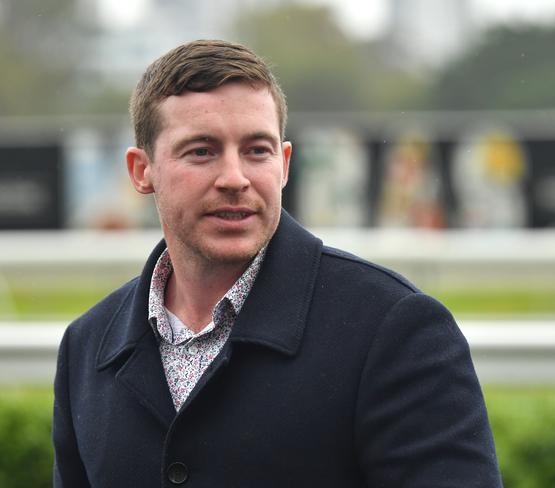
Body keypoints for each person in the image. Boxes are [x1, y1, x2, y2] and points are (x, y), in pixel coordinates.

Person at [53, 39, 502, 487]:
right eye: (202, 151)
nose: (235, 178)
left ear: (284, 164)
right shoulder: (85, 348)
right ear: (141, 171)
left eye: (256, 150)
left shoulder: (395, 327)